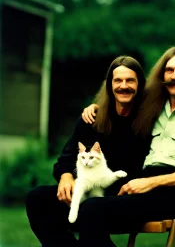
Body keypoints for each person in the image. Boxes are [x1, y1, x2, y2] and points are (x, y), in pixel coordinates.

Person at [80, 46, 175, 245]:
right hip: (139, 188)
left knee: (92, 210)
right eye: (169, 70)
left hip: (171, 196)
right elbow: (123, 100)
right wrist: (98, 107)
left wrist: (147, 183)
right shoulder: (153, 107)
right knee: (83, 210)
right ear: (162, 76)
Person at [25, 55, 152, 247]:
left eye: (130, 80)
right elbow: (66, 158)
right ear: (109, 85)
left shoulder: (151, 121)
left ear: (140, 85)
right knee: (38, 198)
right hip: (89, 194)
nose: (123, 86)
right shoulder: (93, 119)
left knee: (90, 210)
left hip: (125, 200)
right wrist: (66, 177)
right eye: (118, 80)